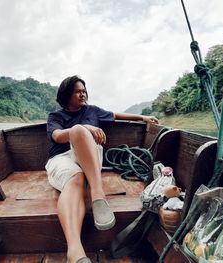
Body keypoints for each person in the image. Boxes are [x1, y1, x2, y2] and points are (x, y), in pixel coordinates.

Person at [45, 75, 159, 263]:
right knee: (77, 176)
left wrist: (142, 117)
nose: (82, 94)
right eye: (77, 91)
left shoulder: (93, 111)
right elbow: (57, 136)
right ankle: (74, 251)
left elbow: (116, 115)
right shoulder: (55, 116)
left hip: (88, 157)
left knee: (79, 132)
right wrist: (83, 127)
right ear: (66, 94)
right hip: (62, 159)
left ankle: (98, 195)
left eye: (84, 91)